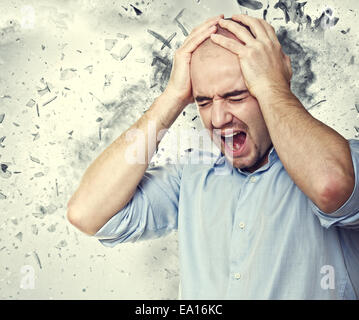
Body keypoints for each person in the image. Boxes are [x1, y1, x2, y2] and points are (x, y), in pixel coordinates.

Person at [66, 14, 359, 299]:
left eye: (236, 96)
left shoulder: (346, 160)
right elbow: (87, 212)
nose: (217, 118)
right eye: (203, 101)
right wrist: (172, 97)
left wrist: (273, 86)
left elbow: (330, 186)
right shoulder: (191, 178)